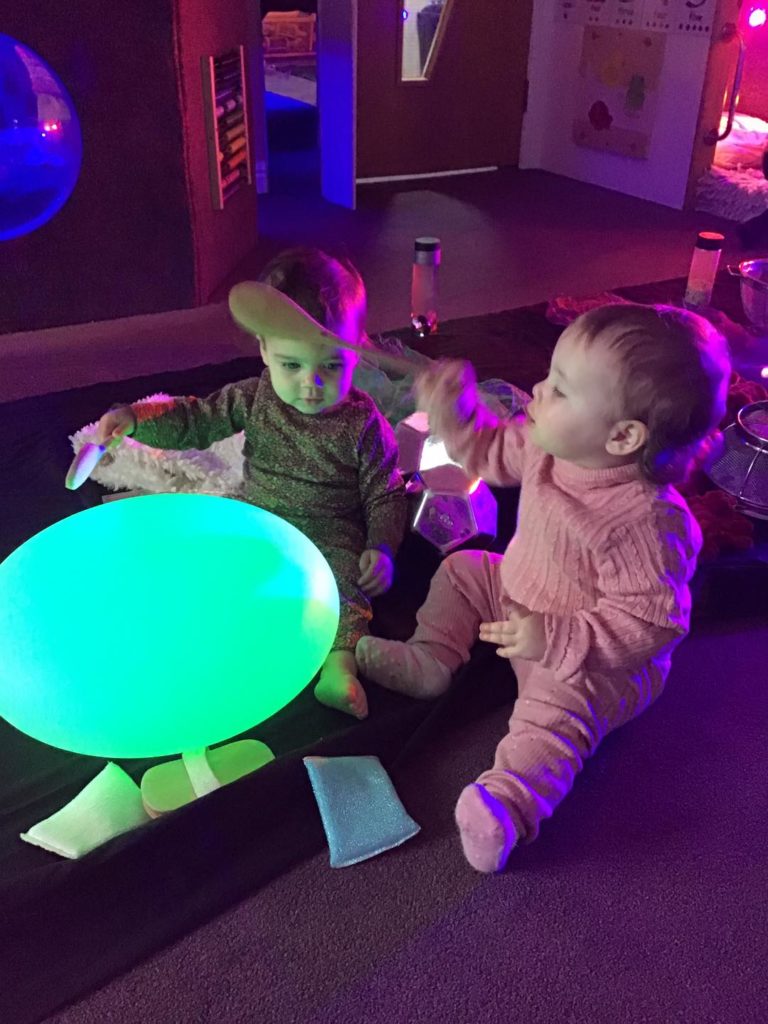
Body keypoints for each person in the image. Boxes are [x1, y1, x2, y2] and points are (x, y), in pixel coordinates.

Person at [356, 303, 731, 872]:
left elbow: (652, 624)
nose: (536, 389)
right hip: (518, 595)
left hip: (589, 659)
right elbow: (488, 453)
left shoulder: (646, 523)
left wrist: (554, 637)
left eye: (559, 388)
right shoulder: (545, 443)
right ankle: (432, 658)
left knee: (554, 717)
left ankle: (507, 804)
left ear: (623, 436)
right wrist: (455, 413)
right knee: (463, 569)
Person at [94, 248, 407, 720]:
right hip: (258, 515)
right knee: (213, 564)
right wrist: (137, 418)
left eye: (331, 366)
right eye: (291, 365)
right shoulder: (255, 397)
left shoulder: (363, 423)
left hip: (329, 531)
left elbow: (386, 491)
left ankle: (338, 668)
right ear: (263, 349)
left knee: (343, 591)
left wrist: (381, 546)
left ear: (356, 354)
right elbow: (196, 419)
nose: (310, 384)